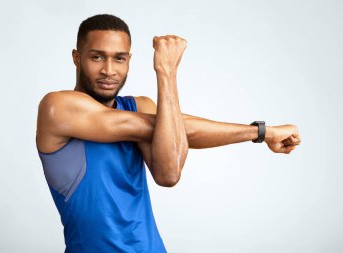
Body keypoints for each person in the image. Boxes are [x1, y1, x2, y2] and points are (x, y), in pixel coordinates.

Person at [36, 14, 301, 253]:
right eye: (97, 57)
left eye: (119, 58)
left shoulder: (138, 106)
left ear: (129, 60)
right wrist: (167, 70)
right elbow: (174, 130)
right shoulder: (57, 107)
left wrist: (263, 132)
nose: (109, 70)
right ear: (76, 57)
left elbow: (168, 171)